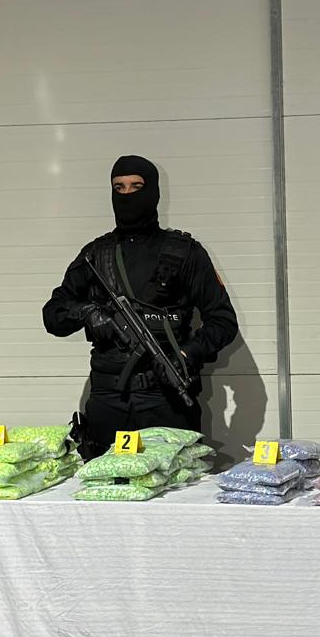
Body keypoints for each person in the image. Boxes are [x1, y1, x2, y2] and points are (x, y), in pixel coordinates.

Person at [43, 155, 238, 457]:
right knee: (103, 484)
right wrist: (87, 313)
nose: (127, 195)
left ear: (154, 192)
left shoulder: (184, 253)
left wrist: (186, 354)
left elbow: (223, 321)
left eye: (136, 186)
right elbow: (53, 315)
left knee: (172, 484)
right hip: (108, 401)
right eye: (118, 188)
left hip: (166, 399)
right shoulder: (96, 255)